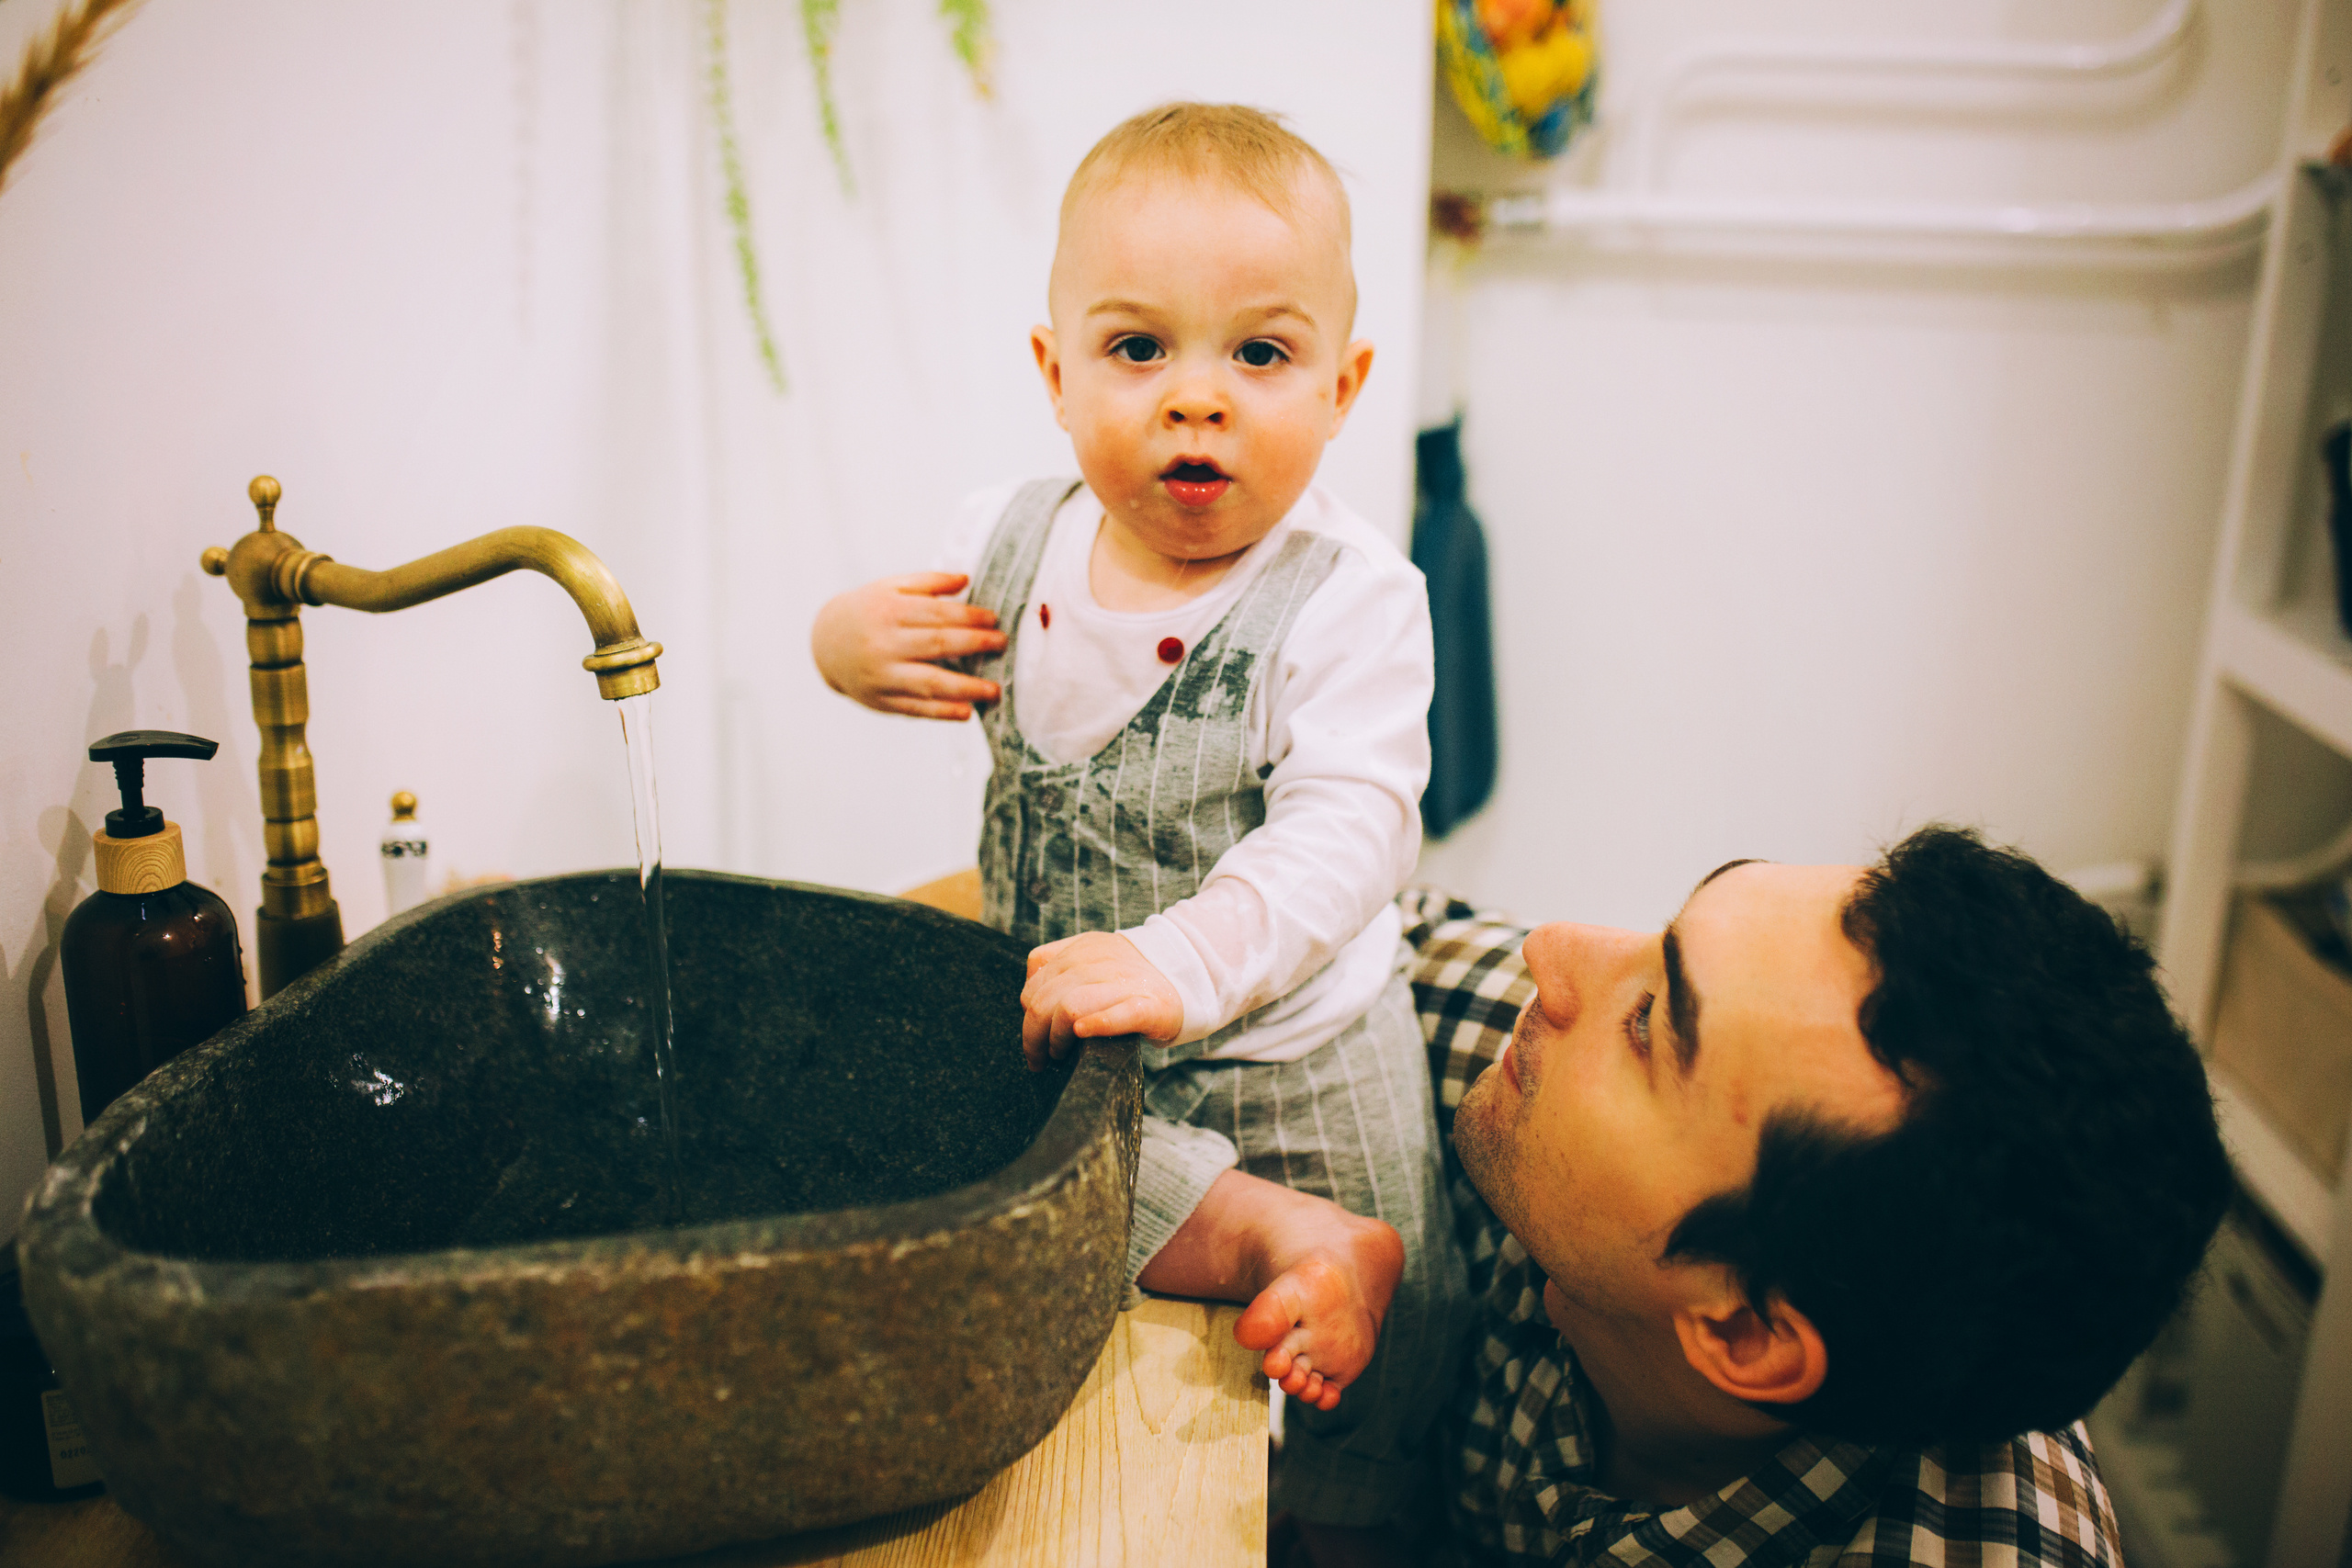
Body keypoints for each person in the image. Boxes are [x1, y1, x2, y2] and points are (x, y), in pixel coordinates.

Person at [810, 103, 1467, 1533]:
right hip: (1101, 1055)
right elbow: (893, 627)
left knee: (1368, 1410)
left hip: (1299, 1072)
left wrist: (1185, 955)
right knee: (1121, 1358)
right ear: (1055, 372)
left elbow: (1352, 834)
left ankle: (1367, 1484)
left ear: (1345, 385)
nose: (1196, 397)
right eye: (1137, 348)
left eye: (1261, 353)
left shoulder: (1353, 596)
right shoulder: (1010, 541)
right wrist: (843, 645)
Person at [1156, 827, 2232, 1566]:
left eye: (1649, 1023)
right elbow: (1309, 950)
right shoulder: (1525, 1068)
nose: (1553, 953)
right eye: (1661, 939)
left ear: (1750, 1333)